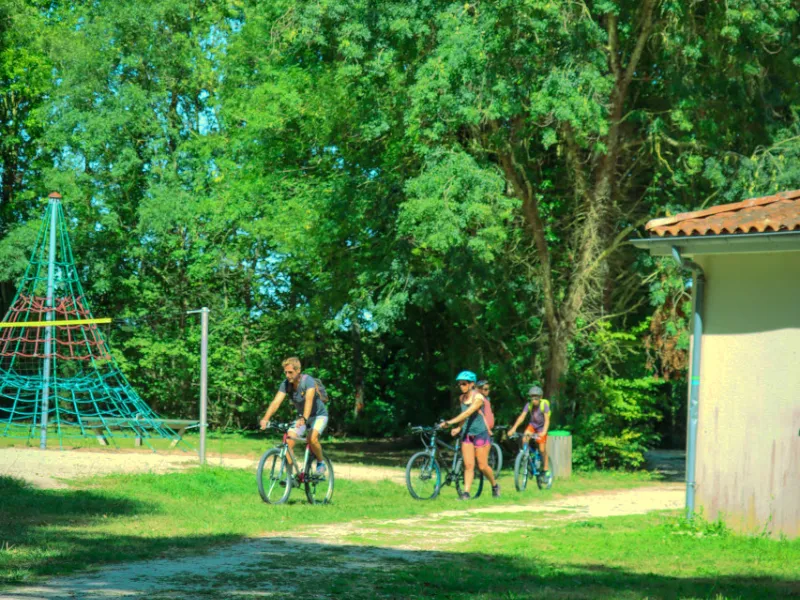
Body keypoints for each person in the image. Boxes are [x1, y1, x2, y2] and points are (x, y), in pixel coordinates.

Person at [259, 357, 329, 476]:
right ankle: (291, 476)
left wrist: (304, 418)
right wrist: (266, 418)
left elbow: (309, 400)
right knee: (288, 440)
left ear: (298, 371)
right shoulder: (286, 384)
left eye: (290, 372)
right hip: (303, 417)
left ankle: (321, 462)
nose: (287, 375)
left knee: (312, 439)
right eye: (285, 372)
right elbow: (276, 402)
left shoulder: (308, 381)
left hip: (319, 416)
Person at [439, 370, 500, 500]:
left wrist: (449, 422)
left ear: (472, 384)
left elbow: (469, 413)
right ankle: (466, 493)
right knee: (468, 465)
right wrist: (458, 427)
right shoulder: (462, 398)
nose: (461, 386)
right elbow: (464, 416)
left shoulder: (478, 397)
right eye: (460, 384)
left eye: (464, 383)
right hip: (467, 434)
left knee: (482, 465)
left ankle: (494, 485)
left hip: (480, 434)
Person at [508, 385, 551, 478]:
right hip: (532, 426)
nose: (534, 399)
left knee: (542, 449)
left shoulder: (544, 405)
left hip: (541, 427)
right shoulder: (529, 405)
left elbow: (547, 420)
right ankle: (526, 457)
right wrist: (514, 428)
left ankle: (546, 469)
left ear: (540, 397)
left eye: (536, 397)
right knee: (524, 438)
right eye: (532, 396)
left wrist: (544, 432)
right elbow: (522, 417)